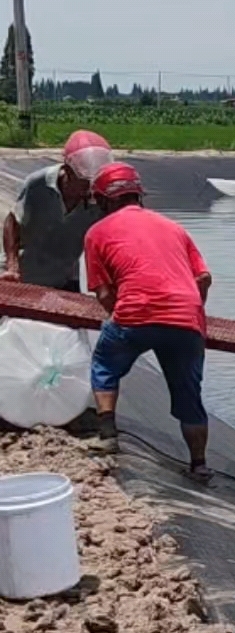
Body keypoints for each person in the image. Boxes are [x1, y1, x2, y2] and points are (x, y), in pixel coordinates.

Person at [83, 162, 214, 482]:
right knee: (189, 394)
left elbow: (103, 293)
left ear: (105, 200)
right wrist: (190, 311)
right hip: (185, 320)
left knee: (104, 364)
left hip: (135, 316)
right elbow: (203, 278)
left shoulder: (97, 233)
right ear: (138, 195)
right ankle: (199, 465)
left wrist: (120, 314)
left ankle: (107, 436)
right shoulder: (174, 227)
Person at [2, 131, 112, 289]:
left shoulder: (100, 198)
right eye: (83, 181)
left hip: (63, 278)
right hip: (22, 274)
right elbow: (13, 222)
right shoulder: (38, 184)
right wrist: (12, 265)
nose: (89, 188)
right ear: (67, 170)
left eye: (94, 181)